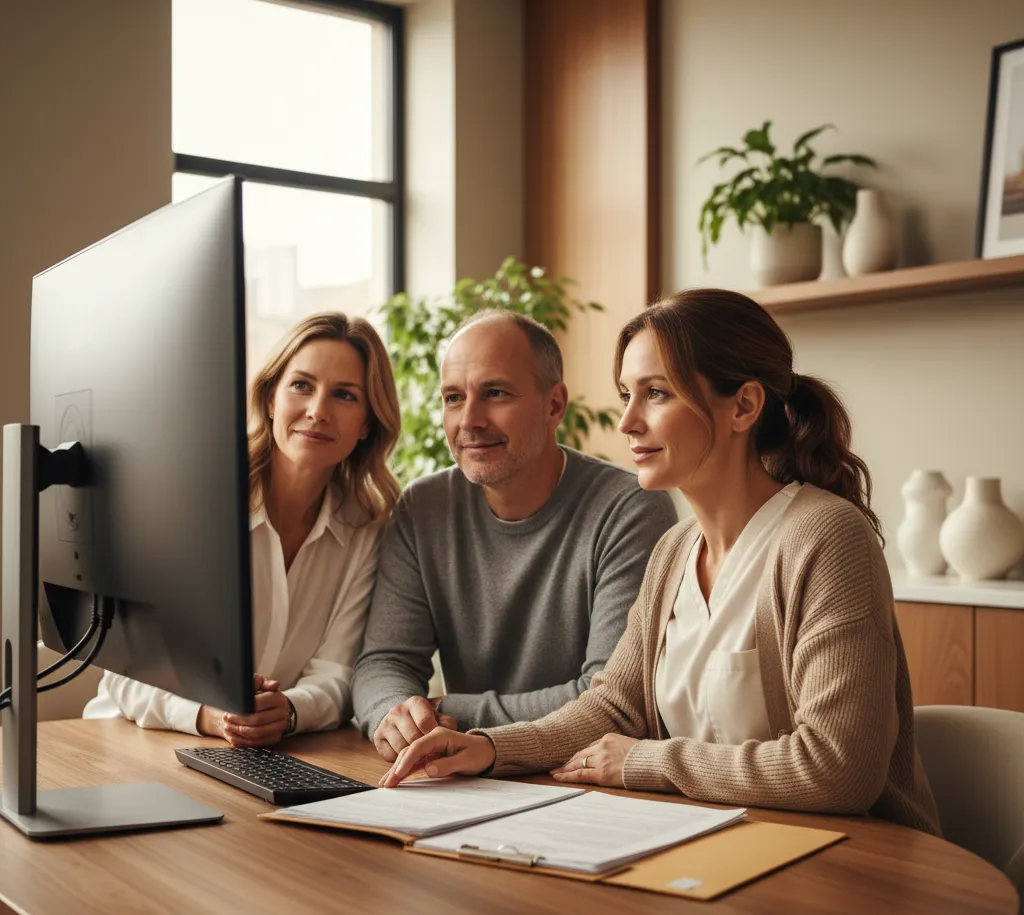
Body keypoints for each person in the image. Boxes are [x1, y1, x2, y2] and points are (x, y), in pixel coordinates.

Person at [379, 289, 940, 835]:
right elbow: (612, 708)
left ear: (744, 406)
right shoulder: (675, 552)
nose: (626, 422)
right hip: (726, 842)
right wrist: (490, 748)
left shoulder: (826, 537)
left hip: (854, 860)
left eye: (656, 393)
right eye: (627, 394)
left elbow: (838, 768)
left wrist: (645, 761)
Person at [352, 309, 679, 761]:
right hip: (464, 774)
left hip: (587, 775)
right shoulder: (423, 507)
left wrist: (447, 713)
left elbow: (608, 698)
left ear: (554, 405)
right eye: (453, 398)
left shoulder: (629, 508)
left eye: (495, 393)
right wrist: (396, 715)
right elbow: (384, 661)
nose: (470, 420)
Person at [84, 312, 401, 746]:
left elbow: (338, 672)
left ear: (367, 423)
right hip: (130, 742)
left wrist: (288, 710)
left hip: (268, 752)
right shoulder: (192, 497)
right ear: (270, 398)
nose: (317, 411)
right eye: (301, 385)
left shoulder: (367, 529)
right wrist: (209, 715)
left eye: (344, 395)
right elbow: (127, 673)